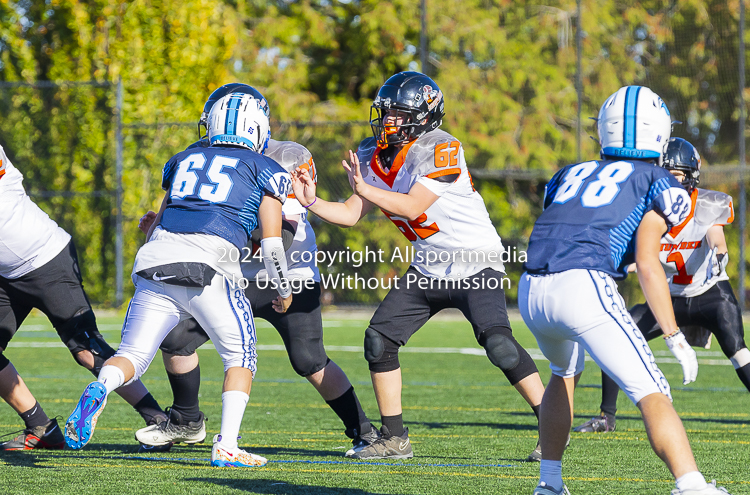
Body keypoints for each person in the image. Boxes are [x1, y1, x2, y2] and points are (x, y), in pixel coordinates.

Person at [519, 85, 750, 495]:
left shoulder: (569, 172)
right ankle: (693, 489)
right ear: (659, 132)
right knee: (653, 390)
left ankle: (548, 484)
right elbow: (647, 260)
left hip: (532, 287)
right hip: (582, 284)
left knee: (561, 373)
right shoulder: (658, 179)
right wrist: (674, 333)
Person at [291, 71, 546, 460]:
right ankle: (394, 438)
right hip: (429, 266)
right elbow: (348, 214)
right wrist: (310, 200)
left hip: (476, 262)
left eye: (398, 114)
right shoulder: (371, 155)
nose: (388, 121)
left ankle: (551, 421)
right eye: (386, 113)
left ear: (425, 117)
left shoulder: (441, 146)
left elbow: (412, 206)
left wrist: (366, 189)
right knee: (378, 340)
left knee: (498, 344)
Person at [133, 83, 376, 454]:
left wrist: (232, 237)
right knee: (177, 340)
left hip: (288, 272)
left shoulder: (288, 157)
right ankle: (186, 421)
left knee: (309, 360)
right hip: (227, 272)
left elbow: (287, 232)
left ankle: (364, 431)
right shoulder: (200, 154)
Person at [65, 91, 293, 468]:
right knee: (240, 356)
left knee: (132, 356)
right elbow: (271, 245)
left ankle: (101, 386)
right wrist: (283, 290)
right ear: (259, 128)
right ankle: (228, 445)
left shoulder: (185, 158)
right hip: (210, 265)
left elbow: (161, 221)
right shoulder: (263, 167)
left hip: (156, 260)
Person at [574, 137, 750, 434]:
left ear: (691, 175)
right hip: (667, 299)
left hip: (710, 294)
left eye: (676, 175)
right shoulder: (648, 210)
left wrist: (720, 253)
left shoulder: (707, 204)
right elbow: (640, 253)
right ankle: (606, 417)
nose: (669, 181)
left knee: (738, 351)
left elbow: (715, 236)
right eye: (663, 174)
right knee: (616, 337)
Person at [0, 145, 166, 451]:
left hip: (45, 257)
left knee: (86, 349)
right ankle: (40, 426)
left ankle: (158, 420)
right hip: (7, 273)